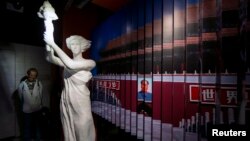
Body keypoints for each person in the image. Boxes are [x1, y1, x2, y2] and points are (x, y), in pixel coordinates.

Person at [44, 34, 96, 141]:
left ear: (82, 46)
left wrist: (53, 43)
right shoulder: (66, 63)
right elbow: (49, 57)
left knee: (83, 130)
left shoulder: (90, 63)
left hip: (81, 102)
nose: (74, 46)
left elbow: (71, 65)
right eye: (72, 44)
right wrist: (48, 37)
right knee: (69, 130)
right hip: (67, 100)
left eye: (77, 44)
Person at [18, 68, 43, 141]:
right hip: (27, 109)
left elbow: (41, 95)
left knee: (37, 126)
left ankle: (38, 139)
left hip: (37, 109)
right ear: (28, 74)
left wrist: (38, 104)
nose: (32, 77)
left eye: (34, 75)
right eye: (31, 75)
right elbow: (20, 96)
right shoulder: (22, 85)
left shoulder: (39, 83)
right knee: (27, 126)